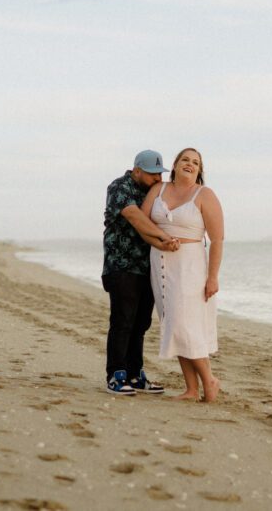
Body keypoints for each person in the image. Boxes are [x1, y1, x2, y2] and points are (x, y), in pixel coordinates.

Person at [140, 147, 224, 402]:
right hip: (161, 263)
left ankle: (209, 380)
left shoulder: (204, 195)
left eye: (196, 162)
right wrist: (158, 242)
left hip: (190, 265)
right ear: (174, 165)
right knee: (173, 325)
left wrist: (212, 277)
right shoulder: (159, 190)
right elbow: (143, 223)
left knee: (185, 325)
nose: (190, 164)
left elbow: (218, 239)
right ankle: (191, 388)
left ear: (199, 171)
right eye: (185, 160)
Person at [102, 150, 180, 396]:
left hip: (149, 267)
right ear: (137, 170)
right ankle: (116, 375)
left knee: (141, 324)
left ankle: (136, 375)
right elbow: (135, 216)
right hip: (121, 266)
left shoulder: (154, 191)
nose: (158, 179)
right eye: (152, 174)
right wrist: (164, 237)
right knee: (123, 321)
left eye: (160, 174)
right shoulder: (119, 186)